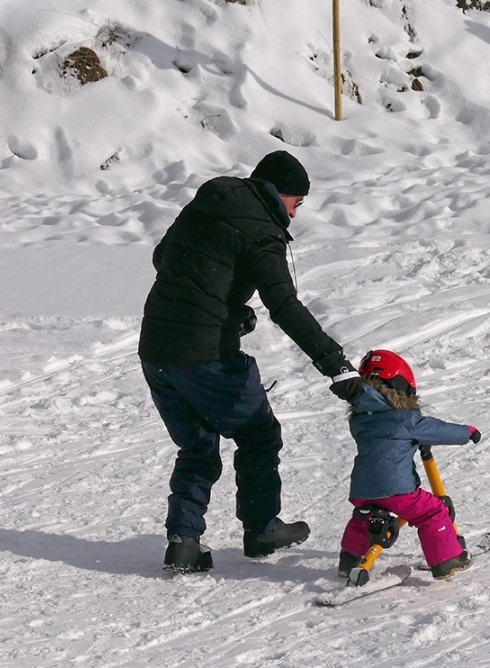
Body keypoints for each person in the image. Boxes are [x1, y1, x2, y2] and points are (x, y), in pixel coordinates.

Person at [138, 150, 363, 573]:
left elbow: (164, 256)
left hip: (155, 350)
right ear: (280, 195)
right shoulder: (262, 231)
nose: (294, 216)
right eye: (296, 204)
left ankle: (184, 542)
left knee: (197, 444)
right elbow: (284, 305)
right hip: (206, 355)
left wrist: (224, 306)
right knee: (258, 434)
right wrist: (336, 364)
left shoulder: (209, 200)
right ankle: (261, 528)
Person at [337, 350, 482, 580]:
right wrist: (468, 433)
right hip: (396, 489)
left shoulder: (360, 419)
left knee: (366, 517)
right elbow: (438, 430)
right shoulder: (405, 419)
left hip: (362, 489)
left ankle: (350, 559)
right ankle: (447, 560)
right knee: (432, 511)